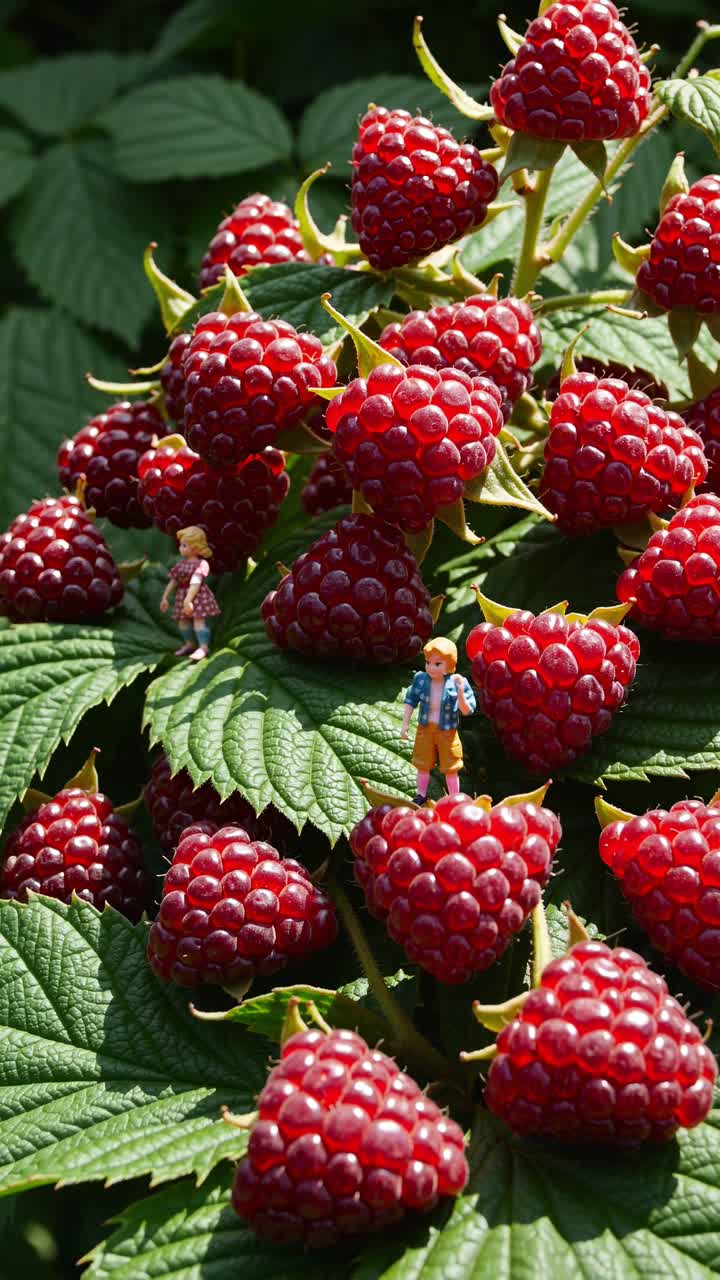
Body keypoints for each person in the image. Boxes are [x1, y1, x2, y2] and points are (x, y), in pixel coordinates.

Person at [401, 637, 476, 804]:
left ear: (449, 664)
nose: (430, 668)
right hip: (425, 729)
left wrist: (461, 692)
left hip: (447, 731)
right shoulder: (421, 680)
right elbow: (410, 701)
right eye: (428, 662)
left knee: (451, 767)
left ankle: (454, 798)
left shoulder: (458, 683)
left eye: (437, 664)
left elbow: (467, 710)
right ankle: (420, 795)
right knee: (423, 764)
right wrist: (405, 724)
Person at [160, 525, 220, 661]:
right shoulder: (181, 564)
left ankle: (203, 647)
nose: (180, 548)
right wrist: (165, 597)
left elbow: (196, 581)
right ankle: (189, 644)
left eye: (184, 545)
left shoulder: (202, 564)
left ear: (196, 546)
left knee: (198, 621)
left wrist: (189, 599)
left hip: (197, 596)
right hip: (183, 595)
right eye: (181, 545)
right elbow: (173, 581)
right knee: (183, 622)